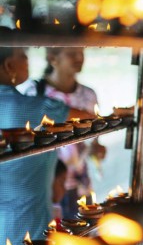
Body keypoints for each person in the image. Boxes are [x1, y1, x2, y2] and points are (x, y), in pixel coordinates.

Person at [0, 47, 92, 245]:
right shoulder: (37, 106)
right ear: (9, 66)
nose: (28, 61)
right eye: (23, 56)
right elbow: (88, 119)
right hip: (26, 223)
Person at [21, 47, 106, 218]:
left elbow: (94, 141)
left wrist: (96, 150)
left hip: (80, 185)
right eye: (71, 52)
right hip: (48, 187)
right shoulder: (34, 94)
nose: (79, 57)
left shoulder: (88, 95)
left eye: (81, 52)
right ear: (52, 58)